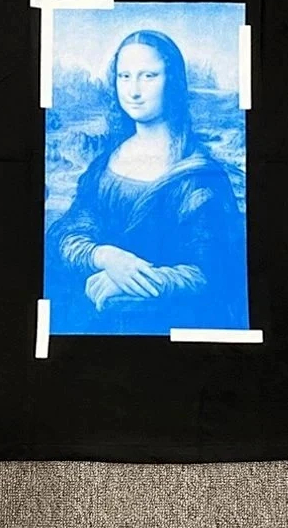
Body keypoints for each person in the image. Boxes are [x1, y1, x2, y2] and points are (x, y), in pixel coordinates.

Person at [45, 29, 249, 335]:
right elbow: (66, 233)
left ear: (173, 82)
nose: (134, 90)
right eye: (124, 76)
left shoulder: (200, 178)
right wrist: (106, 257)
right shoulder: (106, 163)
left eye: (149, 76)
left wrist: (130, 280)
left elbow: (213, 275)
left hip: (171, 328)